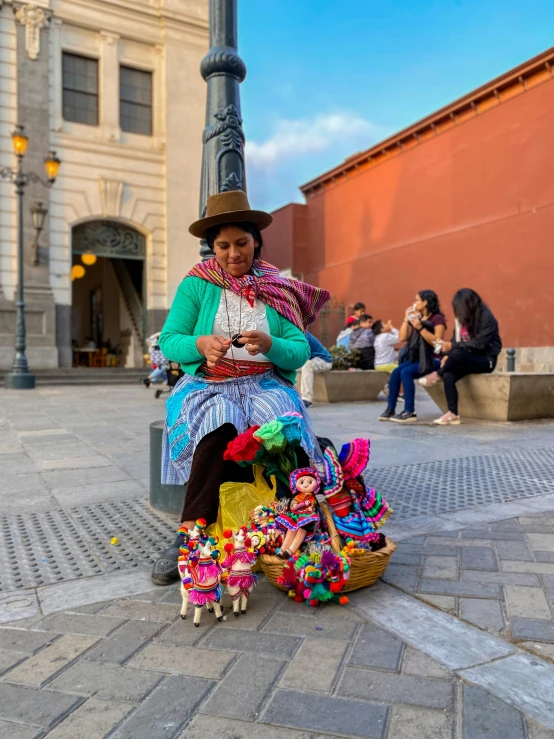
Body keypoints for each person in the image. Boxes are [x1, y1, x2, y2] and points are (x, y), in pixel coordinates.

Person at [151, 190, 330, 585]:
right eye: (223, 245)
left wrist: (270, 345)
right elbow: (170, 339)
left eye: (242, 243)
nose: (234, 253)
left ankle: (296, 524)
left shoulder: (277, 287)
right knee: (218, 423)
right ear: (212, 248)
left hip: (263, 381)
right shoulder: (197, 285)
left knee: (281, 423)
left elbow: (299, 350)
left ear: (256, 241)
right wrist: (198, 344)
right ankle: (191, 533)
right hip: (209, 382)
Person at [419, 288, 501, 425]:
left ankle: (437, 374)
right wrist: (447, 355)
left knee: (457, 353)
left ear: (468, 305)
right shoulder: (462, 319)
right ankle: (453, 413)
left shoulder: (486, 317)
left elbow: (479, 344)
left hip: (486, 360)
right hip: (466, 357)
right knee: (449, 375)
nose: (458, 312)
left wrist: (453, 349)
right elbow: (455, 340)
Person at [379, 291, 446, 423]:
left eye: (417, 300)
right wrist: (406, 318)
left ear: (425, 302)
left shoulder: (438, 319)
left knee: (406, 372)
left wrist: (421, 328)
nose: (414, 303)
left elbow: (438, 343)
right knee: (396, 372)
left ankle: (410, 411)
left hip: (433, 359)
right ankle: (390, 408)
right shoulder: (417, 318)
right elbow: (402, 337)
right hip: (417, 358)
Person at [300, 332, 333, 408]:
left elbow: (304, 355)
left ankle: (306, 399)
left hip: (324, 361)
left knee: (307, 365)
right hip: (313, 360)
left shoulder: (303, 335)